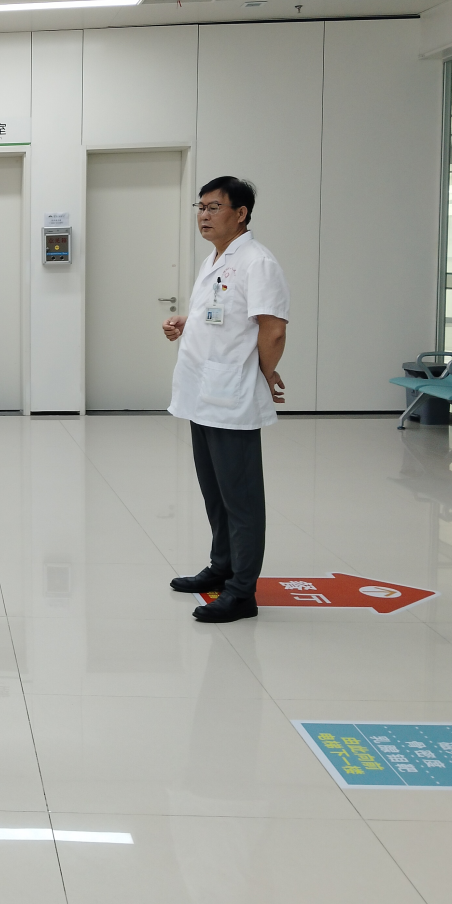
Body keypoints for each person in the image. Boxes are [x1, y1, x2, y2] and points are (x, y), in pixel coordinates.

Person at [162, 177, 289, 624]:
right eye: (200, 207)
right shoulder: (213, 259)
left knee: (241, 499)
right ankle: (222, 567)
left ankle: (241, 592)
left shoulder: (258, 262)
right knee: (214, 492)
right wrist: (187, 322)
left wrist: (265, 373)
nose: (203, 215)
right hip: (201, 392)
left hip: (231, 394)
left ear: (241, 213)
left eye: (214, 207)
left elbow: (273, 329)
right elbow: (219, 317)